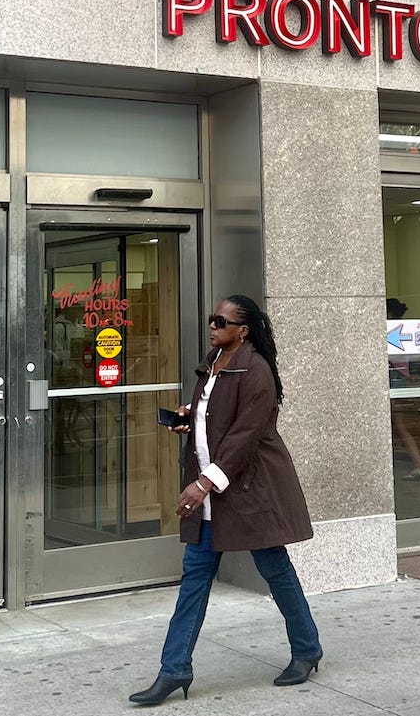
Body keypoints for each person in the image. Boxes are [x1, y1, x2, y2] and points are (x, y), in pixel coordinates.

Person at [129, 295, 322, 706]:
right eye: (211, 319)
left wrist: (202, 484)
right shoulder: (214, 361)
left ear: (243, 330)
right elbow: (216, 417)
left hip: (249, 491)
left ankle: (306, 648)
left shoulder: (256, 371)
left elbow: (244, 437)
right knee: (194, 581)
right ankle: (174, 669)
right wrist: (190, 418)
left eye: (221, 321)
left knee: (275, 570)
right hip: (215, 494)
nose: (213, 326)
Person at [387, 297, 420, 479]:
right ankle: (419, 465)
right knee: (399, 426)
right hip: (399, 380)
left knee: (399, 426)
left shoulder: (391, 331)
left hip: (394, 380)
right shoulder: (400, 330)